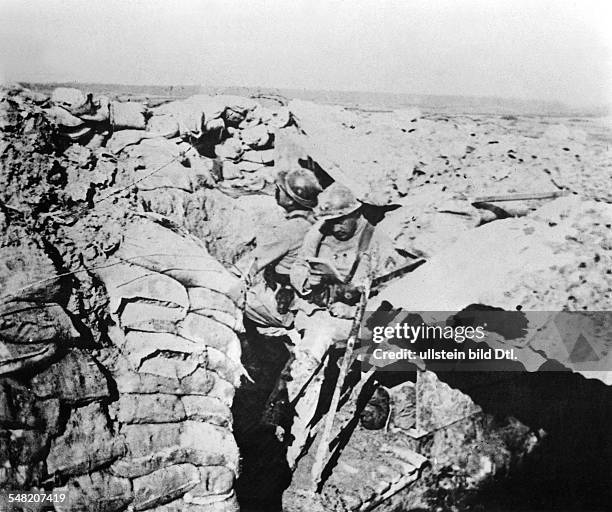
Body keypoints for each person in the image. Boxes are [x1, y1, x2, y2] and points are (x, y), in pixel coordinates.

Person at [285, 182, 403, 468]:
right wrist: (307, 281)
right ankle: (289, 425)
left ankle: (296, 431)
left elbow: (392, 294)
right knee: (305, 356)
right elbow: (299, 268)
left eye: (341, 221)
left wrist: (353, 307)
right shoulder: (319, 234)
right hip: (322, 314)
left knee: (319, 342)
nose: (335, 228)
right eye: (330, 222)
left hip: (358, 321)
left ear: (356, 214)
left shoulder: (377, 239)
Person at [233, 168, 322, 330]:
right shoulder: (314, 222)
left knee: (236, 298)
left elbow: (249, 265)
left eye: (280, 189)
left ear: (291, 200)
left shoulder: (289, 230)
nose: (276, 190)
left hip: (288, 302)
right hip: (307, 295)